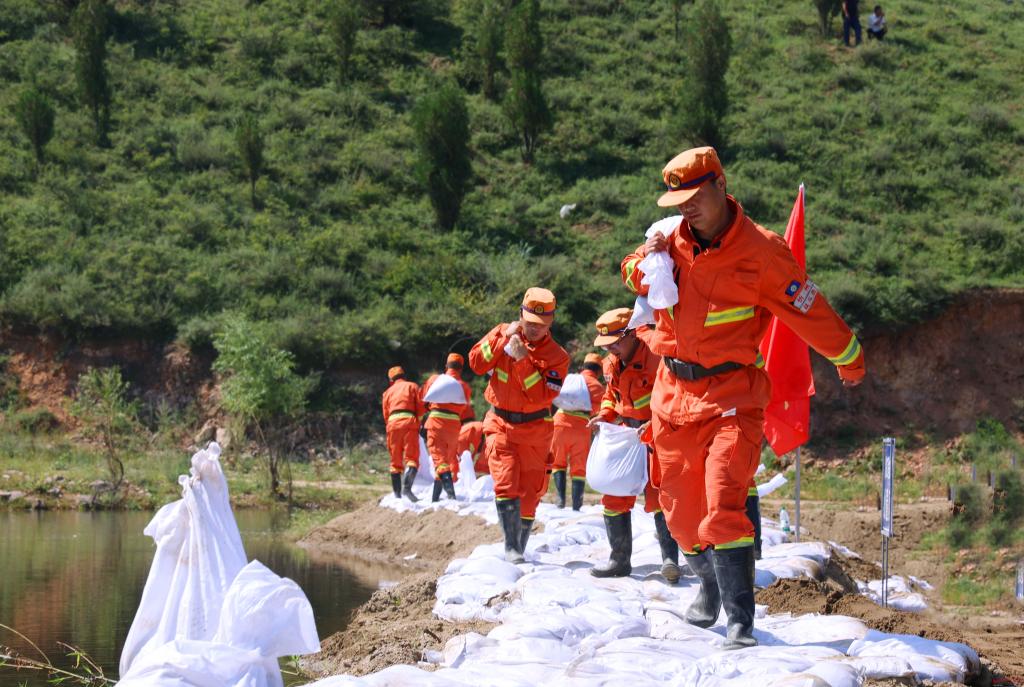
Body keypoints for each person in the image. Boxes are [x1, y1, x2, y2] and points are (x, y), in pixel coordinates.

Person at [621, 146, 865, 649]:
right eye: (678, 201)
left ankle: (740, 620)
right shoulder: (668, 239)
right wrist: (644, 262)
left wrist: (848, 356)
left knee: (725, 498)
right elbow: (631, 270)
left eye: (694, 197)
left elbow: (809, 308)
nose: (686, 208)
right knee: (679, 514)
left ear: (720, 185)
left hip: (732, 396)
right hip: (672, 397)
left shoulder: (763, 252)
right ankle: (709, 587)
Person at [469, 287, 570, 563]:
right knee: (505, 482)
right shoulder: (502, 332)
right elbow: (476, 363)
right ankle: (512, 548)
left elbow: (542, 397)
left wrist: (523, 360)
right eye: (529, 322)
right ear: (520, 315)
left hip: (535, 430)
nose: (534, 329)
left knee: (529, 494)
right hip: (499, 422)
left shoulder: (557, 356)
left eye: (541, 324)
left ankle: (519, 549)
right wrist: (502, 337)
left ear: (551, 322)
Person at [585, 308, 680, 583]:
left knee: (660, 495)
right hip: (628, 433)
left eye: (615, 342)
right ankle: (619, 561)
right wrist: (605, 415)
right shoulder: (610, 363)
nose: (611, 348)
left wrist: (654, 423)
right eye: (606, 345)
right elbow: (610, 395)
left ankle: (670, 560)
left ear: (631, 334)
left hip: (659, 434)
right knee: (614, 495)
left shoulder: (657, 356)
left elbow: (675, 396)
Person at [550, 352, 605, 510]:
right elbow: (598, 409)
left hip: (559, 423)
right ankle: (576, 505)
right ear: (598, 371)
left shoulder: (571, 379)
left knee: (558, 462)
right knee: (579, 467)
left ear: (584, 366)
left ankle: (560, 501)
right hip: (581, 427)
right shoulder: (597, 386)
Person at [421, 353, 474, 502]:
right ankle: (435, 499)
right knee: (445, 463)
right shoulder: (464, 386)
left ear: (446, 366)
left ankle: (451, 496)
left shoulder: (435, 380)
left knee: (440, 460)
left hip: (436, 422)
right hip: (454, 426)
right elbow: (464, 408)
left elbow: (424, 400)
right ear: (461, 369)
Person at [380, 366, 427, 501]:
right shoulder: (412, 386)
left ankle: (397, 495)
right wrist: (419, 423)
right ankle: (407, 489)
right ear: (404, 376)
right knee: (412, 458)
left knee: (395, 461)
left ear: (391, 380)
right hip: (409, 423)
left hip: (392, 424)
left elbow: (386, 414)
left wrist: (391, 425)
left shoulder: (387, 392)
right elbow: (420, 408)